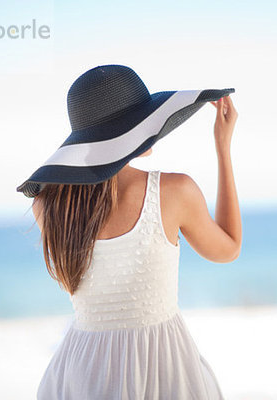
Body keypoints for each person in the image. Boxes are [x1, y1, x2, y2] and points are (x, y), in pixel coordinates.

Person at [30, 72, 241, 399]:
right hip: (160, 366)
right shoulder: (174, 191)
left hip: (79, 370)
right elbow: (228, 248)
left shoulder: (47, 207)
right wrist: (223, 148)